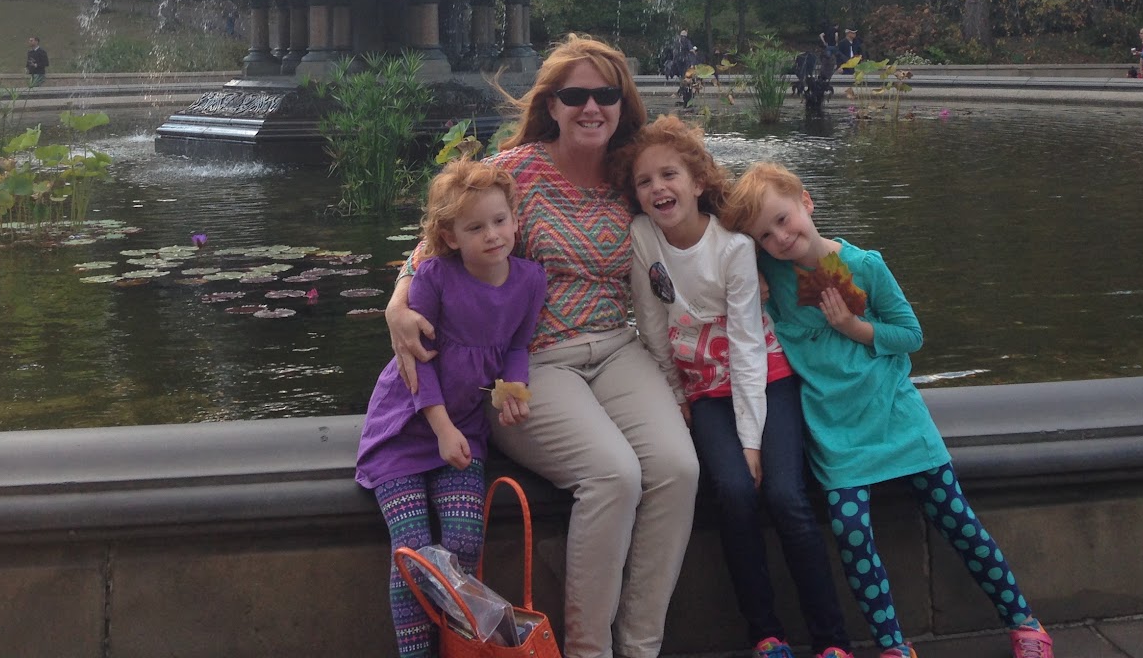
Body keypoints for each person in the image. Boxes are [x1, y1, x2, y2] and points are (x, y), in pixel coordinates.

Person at [386, 35, 699, 658]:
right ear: (551, 104)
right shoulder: (519, 171)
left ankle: (640, 648)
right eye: (574, 95)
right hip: (526, 364)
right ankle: (588, 652)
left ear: (621, 102)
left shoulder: (630, 173)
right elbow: (438, 244)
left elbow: (709, 217)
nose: (591, 107)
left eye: (605, 94)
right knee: (613, 474)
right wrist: (398, 300)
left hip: (617, 348)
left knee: (678, 469)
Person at [722, 163, 1056, 658]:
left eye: (783, 219)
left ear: (806, 202)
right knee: (851, 532)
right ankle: (893, 646)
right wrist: (749, 263)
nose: (779, 237)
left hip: (897, 416)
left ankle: (1024, 621)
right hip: (837, 431)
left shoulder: (865, 266)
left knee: (957, 519)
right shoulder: (769, 269)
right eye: (765, 236)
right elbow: (717, 241)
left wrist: (856, 329)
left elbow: (911, 334)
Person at [618, 117, 854, 658]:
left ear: (698, 181)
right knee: (732, 492)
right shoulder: (642, 236)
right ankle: (765, 632)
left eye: (669, 174)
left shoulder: (732, 249)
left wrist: (751, 441)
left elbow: (749, 346)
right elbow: (652, 326)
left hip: (766, 382)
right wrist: (676, 398)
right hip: (704, 394)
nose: (658, 188)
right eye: (645, 181)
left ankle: (831, 640)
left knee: (786, 496)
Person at [357, 159, 547, 658]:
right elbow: (416, 365)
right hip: (405, 426)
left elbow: (517, 349)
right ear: (450, 234)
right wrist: (439, 428)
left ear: (515, 219)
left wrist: (512, 393)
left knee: (463, 541)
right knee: (414, 549)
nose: (492, 235)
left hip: (463, 426)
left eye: (500, 221)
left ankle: (457, 647)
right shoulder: (436, 277)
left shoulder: (530, 280)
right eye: (475, 227)